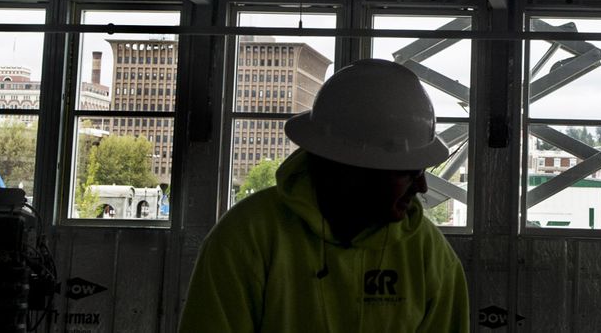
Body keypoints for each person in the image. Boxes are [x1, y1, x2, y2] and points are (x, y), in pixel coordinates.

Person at [178, 59, 470, 333]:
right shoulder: (248, 238)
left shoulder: (429, 256)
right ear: (349, 169)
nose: (421, 187)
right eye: (406, 172)